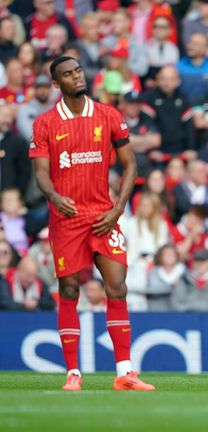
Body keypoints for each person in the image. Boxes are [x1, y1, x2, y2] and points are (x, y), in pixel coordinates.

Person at [29, 56, 155, 391]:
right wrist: (55, 198)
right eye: (68, 75)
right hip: (67, 219)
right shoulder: (45, 123)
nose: (76, 77)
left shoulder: (108, 115)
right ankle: (73, 373)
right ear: (57, 84)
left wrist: (118, 209)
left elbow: (130, 165)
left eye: (78, 71)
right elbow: (41, 172)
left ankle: (125, 372)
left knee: (118, 286)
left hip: (103, 216)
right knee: (69, 290)